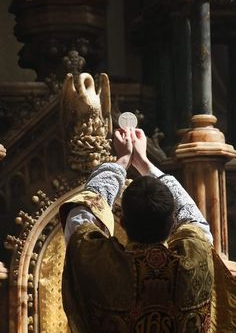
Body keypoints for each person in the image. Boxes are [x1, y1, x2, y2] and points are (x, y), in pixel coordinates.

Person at [60, 128, 215, 333]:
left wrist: (121, 161)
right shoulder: (194, 261)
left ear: (121, 222)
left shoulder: (100, 266)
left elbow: (82, 213)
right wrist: (145, 164)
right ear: (172, 224)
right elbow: (193, 218)